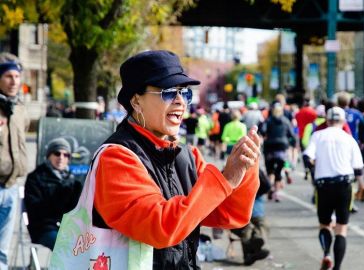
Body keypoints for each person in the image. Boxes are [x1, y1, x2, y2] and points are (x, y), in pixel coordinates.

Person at [90, 50, 260, 269]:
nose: (181, 101)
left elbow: (229, 214)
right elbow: (160, 227)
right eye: (169, 92)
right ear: (136, 101)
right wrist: (225, 179)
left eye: (184, 93)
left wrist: (245, 167)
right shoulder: (117, 157)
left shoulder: (186, 156)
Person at [303, 107, 364, 270]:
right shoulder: (349, 139)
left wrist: (313, 172)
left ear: (327, 121)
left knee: (324, 224)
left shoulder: (317, 136)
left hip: (323, 185)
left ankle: (326, 254)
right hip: (344, 184)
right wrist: (362, 186)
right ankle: (337, 267)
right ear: (343, 122)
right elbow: (358, 168)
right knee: (341, 228)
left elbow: (307, 157)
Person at [24, 138, 82, 250]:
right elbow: (35, 209)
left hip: (68, 227)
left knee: (89, 243)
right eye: (57, 153)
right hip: (44, 228)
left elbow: (77, 210)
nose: (61, 158)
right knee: (69, 247)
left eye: (66, 155)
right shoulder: (36, 177)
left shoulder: (72, 180)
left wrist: (76, 194)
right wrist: (58, 197)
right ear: (49, 155)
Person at [0, 52, 29, 270]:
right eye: (8, 76)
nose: (14, 82)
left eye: (17, 77)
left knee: (3, 250)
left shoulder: (19, 109)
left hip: (11, 187)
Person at [259, 103, 297, 202]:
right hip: (282, 147)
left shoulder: (268, 120)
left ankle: (270, 187)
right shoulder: (286, 121)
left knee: (270, 170)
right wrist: (293, 144)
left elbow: (262, 131)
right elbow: (291, 134)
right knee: (279, 171)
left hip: (270, 147)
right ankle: (276, 193)